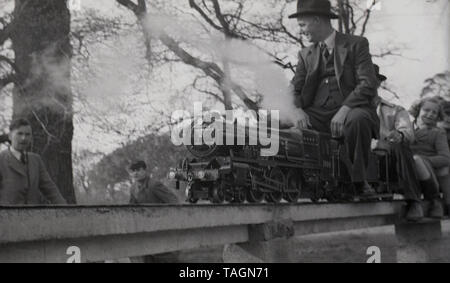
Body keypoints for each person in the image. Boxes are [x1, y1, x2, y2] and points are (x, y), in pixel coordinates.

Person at [289, 0, 380, 196]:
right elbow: (295, 89)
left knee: (359, 120)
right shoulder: (305, 54)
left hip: (351, 109)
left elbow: (368, 83)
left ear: (316, 20)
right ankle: (296, 180)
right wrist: (296, 110)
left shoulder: (357, 44)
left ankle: (359, 180)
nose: (302, 31)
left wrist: (345, 109)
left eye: (303, 25)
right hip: (318, 113)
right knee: (276, 120)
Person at [371, 65, 423, 220]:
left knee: (400, 147)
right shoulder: (346, 110)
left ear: (377, 83)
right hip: (359, 156)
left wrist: (399, 135)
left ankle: (413, 201)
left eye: (369, 80)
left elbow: (407, 133)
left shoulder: (394, 110)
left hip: (387, 157)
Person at [0, 118, 66, 205]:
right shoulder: (1, 159)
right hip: (7, 216)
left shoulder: (35, 160)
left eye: (28, 134)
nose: (24, 138)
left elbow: (50, 189)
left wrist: (66, 210)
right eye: (19, 134)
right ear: (10, 136)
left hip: (33, 216)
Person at [127, 160, 179, 263]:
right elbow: (131, 208)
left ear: (144, 170)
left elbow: (174, 201)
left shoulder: (154, 185)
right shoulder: (133, 188)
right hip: (144, 229)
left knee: (165, 257)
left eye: (138, 170)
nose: (135, 173)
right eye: (133, 171)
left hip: (161, 227)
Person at [409, 97, 450, 218]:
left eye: (434, 112)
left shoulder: (438, 133)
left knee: (418, 161)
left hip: (429, 170)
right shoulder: (406, 128)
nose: (430, 114)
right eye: (426, 110)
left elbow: (445, 157)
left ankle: (434, 201)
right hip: (408, 170)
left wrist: (422, 161)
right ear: (417, 110)